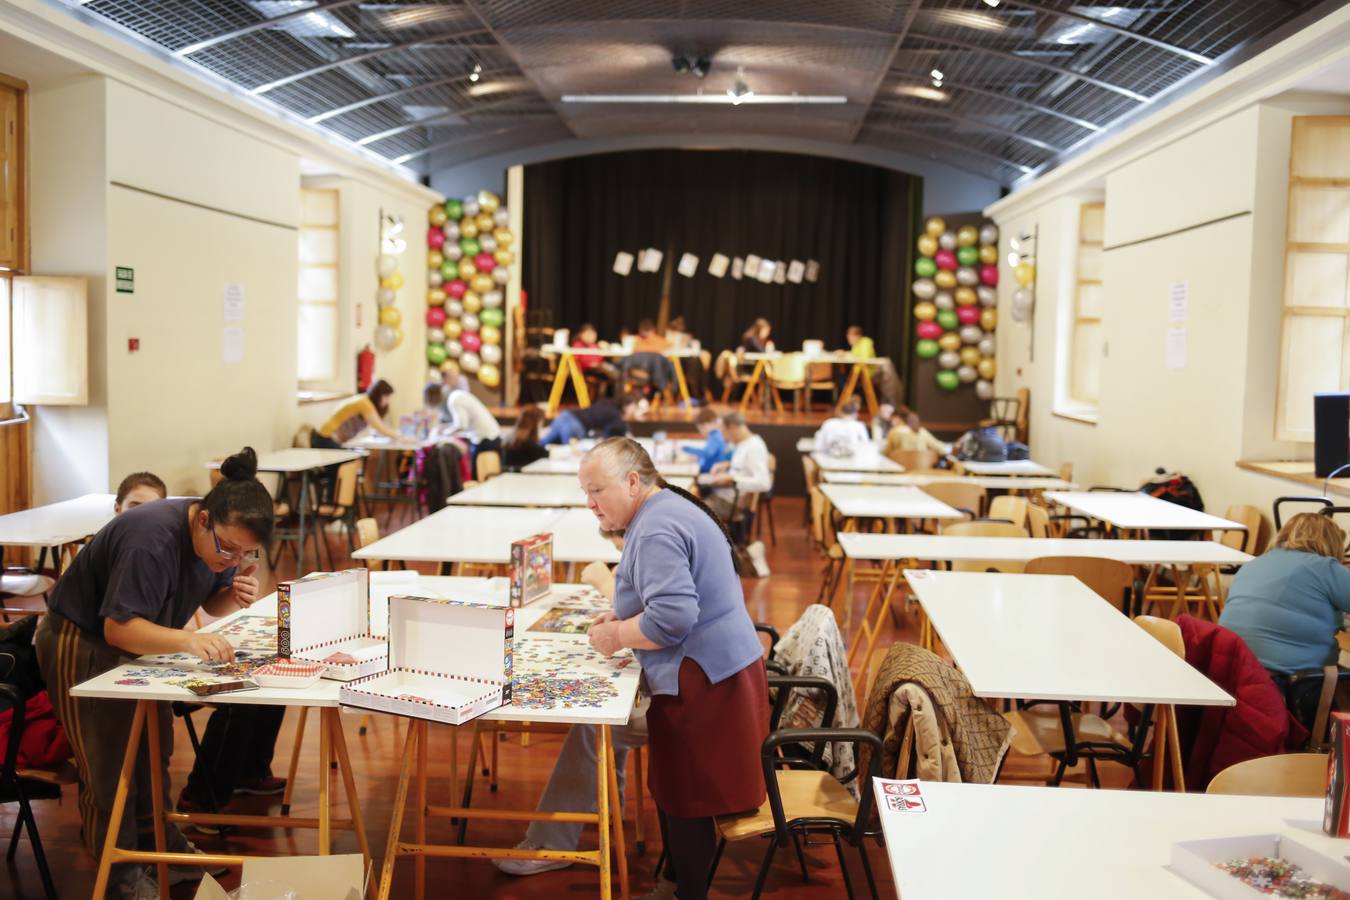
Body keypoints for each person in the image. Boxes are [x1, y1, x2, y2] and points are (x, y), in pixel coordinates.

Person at [35, 448, 277, 898]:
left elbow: (212, 601)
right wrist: (188, 640)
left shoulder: (219, 541)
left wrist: (237, 594)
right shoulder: (153, 539)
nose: (233, 559)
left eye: (248, 553)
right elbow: (117, 627)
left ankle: (159, 846)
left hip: (138, 637)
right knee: (109, 763)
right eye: (228, 549)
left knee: (152, 750)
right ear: (203, 519)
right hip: (82, 638)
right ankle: (120, 870)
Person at [580, 438, 767, 900]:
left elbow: (672, 618)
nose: (590, 505)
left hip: (706, 680)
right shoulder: (662, 511)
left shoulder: (657, 526)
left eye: (596, 491)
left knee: (687, 797)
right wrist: (624, 619)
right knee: (678, 791)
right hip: (714, 671)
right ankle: (679, 885)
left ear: (631, 481)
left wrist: (617, 635)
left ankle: (688, 893)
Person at [493, 530, 651, 877]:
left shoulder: (657, 540)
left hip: (681, 696)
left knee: (596, 725)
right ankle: (605, 811)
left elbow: (658, 621)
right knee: (606, 716)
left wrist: (605, 584)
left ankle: (552, 845)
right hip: (677, 684)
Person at [1219, 513, 1350, 677]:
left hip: (1227, 670)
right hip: (1284, 682)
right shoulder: (1324, 568)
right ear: (1333, 542)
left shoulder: (1253, 564)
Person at [700, 412, 772, 525]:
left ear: (732, 427)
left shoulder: (754, 447)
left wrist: (732, 479)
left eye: (723, 432)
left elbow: (764, 483)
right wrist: (728, 464)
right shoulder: (743, 443)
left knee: (689, 513)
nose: (722, 437)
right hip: (725, 497)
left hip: (731, 503)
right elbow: (744, 467)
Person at [312, 379, 400, 448]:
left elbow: (378, 428)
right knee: (353, 462)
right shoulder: (364, 403)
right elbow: (380, 428)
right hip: (326, 438)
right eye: (386, 396)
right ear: (378, 395)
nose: (387, 401)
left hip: (329, 439)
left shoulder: (364, 401)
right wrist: (401, 437)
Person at [541, 393, 639, 446]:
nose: (634, 411)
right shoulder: (616, 417)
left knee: (543, 443)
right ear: (628, 405)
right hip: (576, 424)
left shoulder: (607, 403)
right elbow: (610, 439)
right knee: (570, 456)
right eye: (635, 407)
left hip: (565, 415)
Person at [444, 385, 503, 469]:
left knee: (478, 474)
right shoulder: (459, 395)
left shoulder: (454, 400)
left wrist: (446, 432)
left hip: (485, 439)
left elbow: (462, 425)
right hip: (493, 436)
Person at [884, 405, 949, 458]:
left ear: (897, 418)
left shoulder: (894, 432)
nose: (891, 423)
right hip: (922, 470)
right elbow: (940, 448)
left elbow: (887, 453)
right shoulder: (922, 431)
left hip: (901, 470)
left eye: (891, 420)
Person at [682, 407, 733, 474]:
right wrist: (698, 458)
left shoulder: (715, 436)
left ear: (705, 425)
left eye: (701, 428)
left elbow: (708, 453)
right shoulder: (714, 435)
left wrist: (686, 449)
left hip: (710, 471)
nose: (701, 432)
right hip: (710, 469)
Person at [503, 406, 549, 471]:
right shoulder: (530, 446)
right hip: (525, 479)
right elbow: (546, 455)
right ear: (536, 424)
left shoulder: (509, 440)